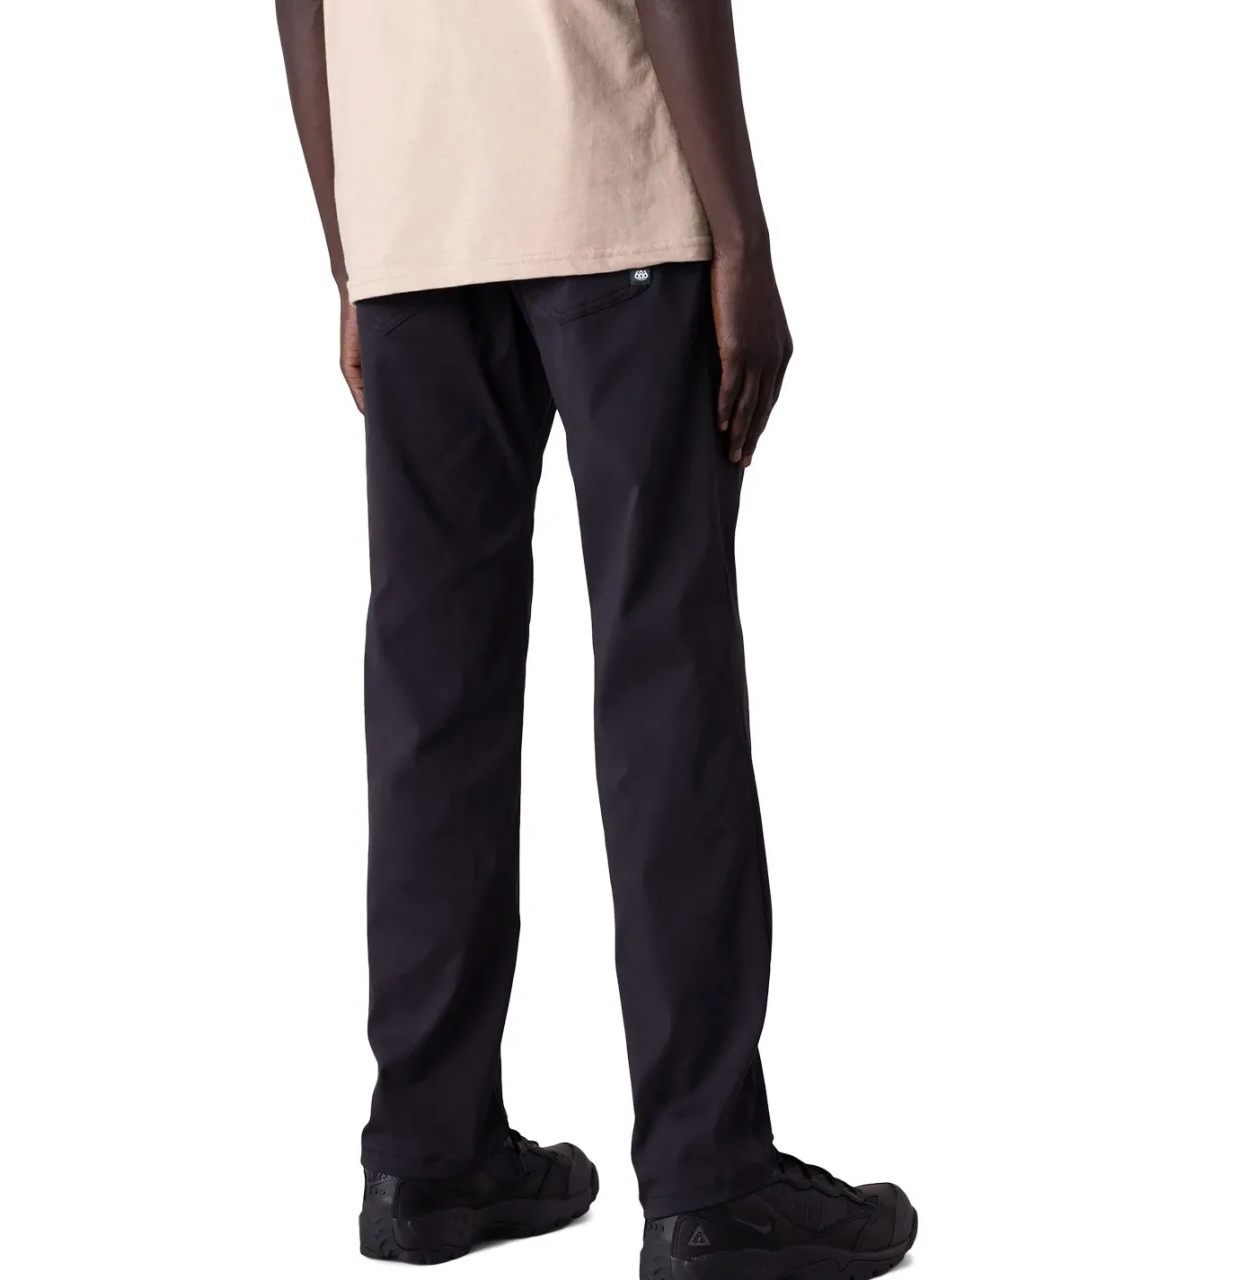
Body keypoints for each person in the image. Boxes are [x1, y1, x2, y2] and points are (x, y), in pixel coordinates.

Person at [275, 2, 916, 1276]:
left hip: (408, 217)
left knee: (429, 701)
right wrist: (740, 237)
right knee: (664, 683)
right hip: (606, 188)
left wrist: (351, 253)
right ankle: (709, 1177)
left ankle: (428, 1153)